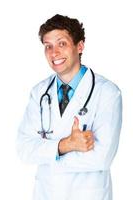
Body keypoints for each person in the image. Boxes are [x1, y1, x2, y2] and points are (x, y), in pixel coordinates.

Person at [17, 14, 122, 200]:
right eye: (48, 46)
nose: (54, 52)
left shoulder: (108, 93)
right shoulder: (39, 93)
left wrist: (47, 154)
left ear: (79, 46)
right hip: (46, 194)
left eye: (61, 44)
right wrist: (66, 145)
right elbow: (24, 150)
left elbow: (102, 158)